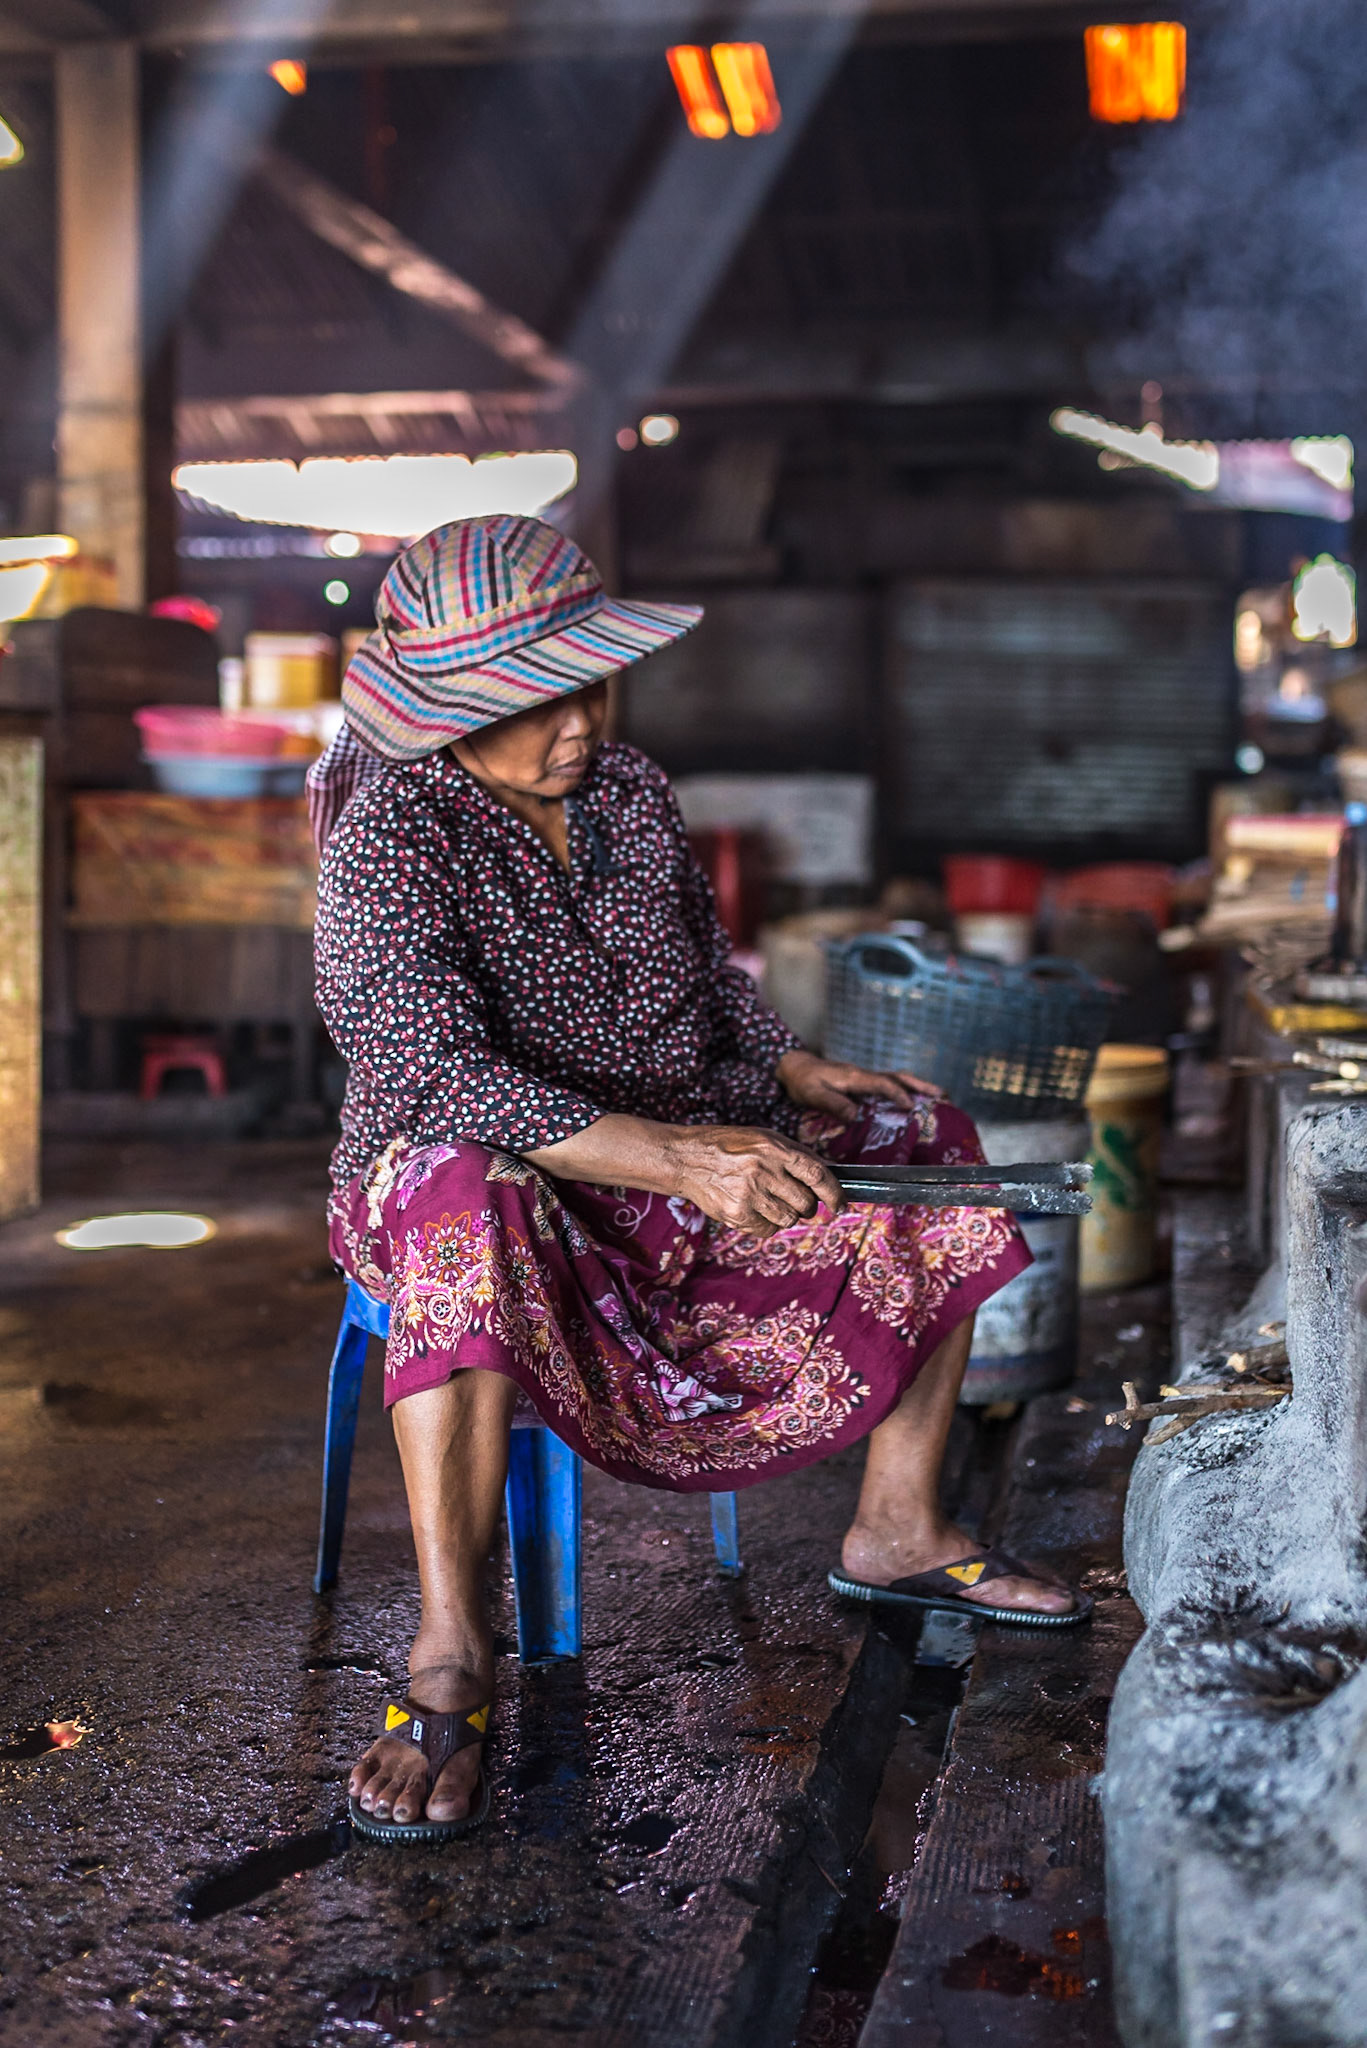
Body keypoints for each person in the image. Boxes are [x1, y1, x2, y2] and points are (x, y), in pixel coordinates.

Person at [311, 514, 1087, 1845]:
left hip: (683, 1153)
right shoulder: (387, 842)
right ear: (451, 709)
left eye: (592, 686)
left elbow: (708, 989)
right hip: (489, 1182)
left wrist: (791, 1072)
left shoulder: (628, 793)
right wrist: (678, 1159)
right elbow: (441, 1075)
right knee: (464, 1201)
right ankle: (451, 1648)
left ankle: (898, 1529)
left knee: (934, 1148)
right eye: (539, 700)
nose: (578, 726)